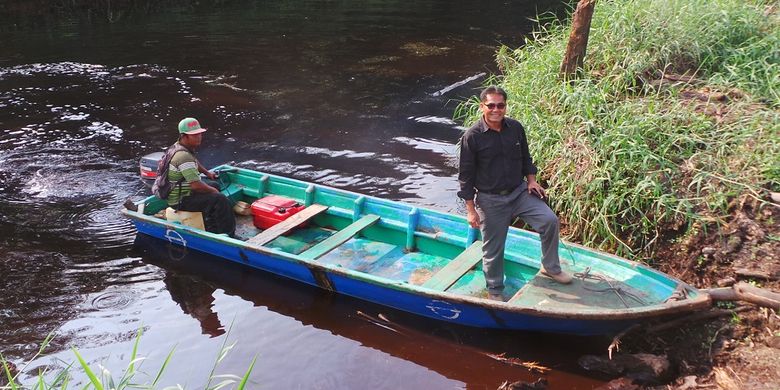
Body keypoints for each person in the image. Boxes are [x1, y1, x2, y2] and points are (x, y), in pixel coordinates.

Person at [458, 86, 572, 301]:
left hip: (519, 192)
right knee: (493, 249)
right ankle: (495, 290)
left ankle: (551, 267)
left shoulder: (515, 128)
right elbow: (466, 176)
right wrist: (470, 210)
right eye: (491, 105)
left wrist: (531, 181)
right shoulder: (472, 137)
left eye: (500, 105)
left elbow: (526, 158)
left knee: (549, 221)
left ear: (505, 106)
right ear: (482, 106)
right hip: (490, 199)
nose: (496, 110)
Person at [165, 117, 236, 236]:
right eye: (194, 135)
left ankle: (210, 222)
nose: (199, 137)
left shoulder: (178, 147)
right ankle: (227, 234)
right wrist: (214, 192)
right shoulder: (182, 156)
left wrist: (208, 173)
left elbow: (194, 162)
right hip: (179, 199)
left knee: (215, 185)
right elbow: (196, 185)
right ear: (184, 136)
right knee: (220, 199)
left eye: (199, 134)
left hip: (182, 190)